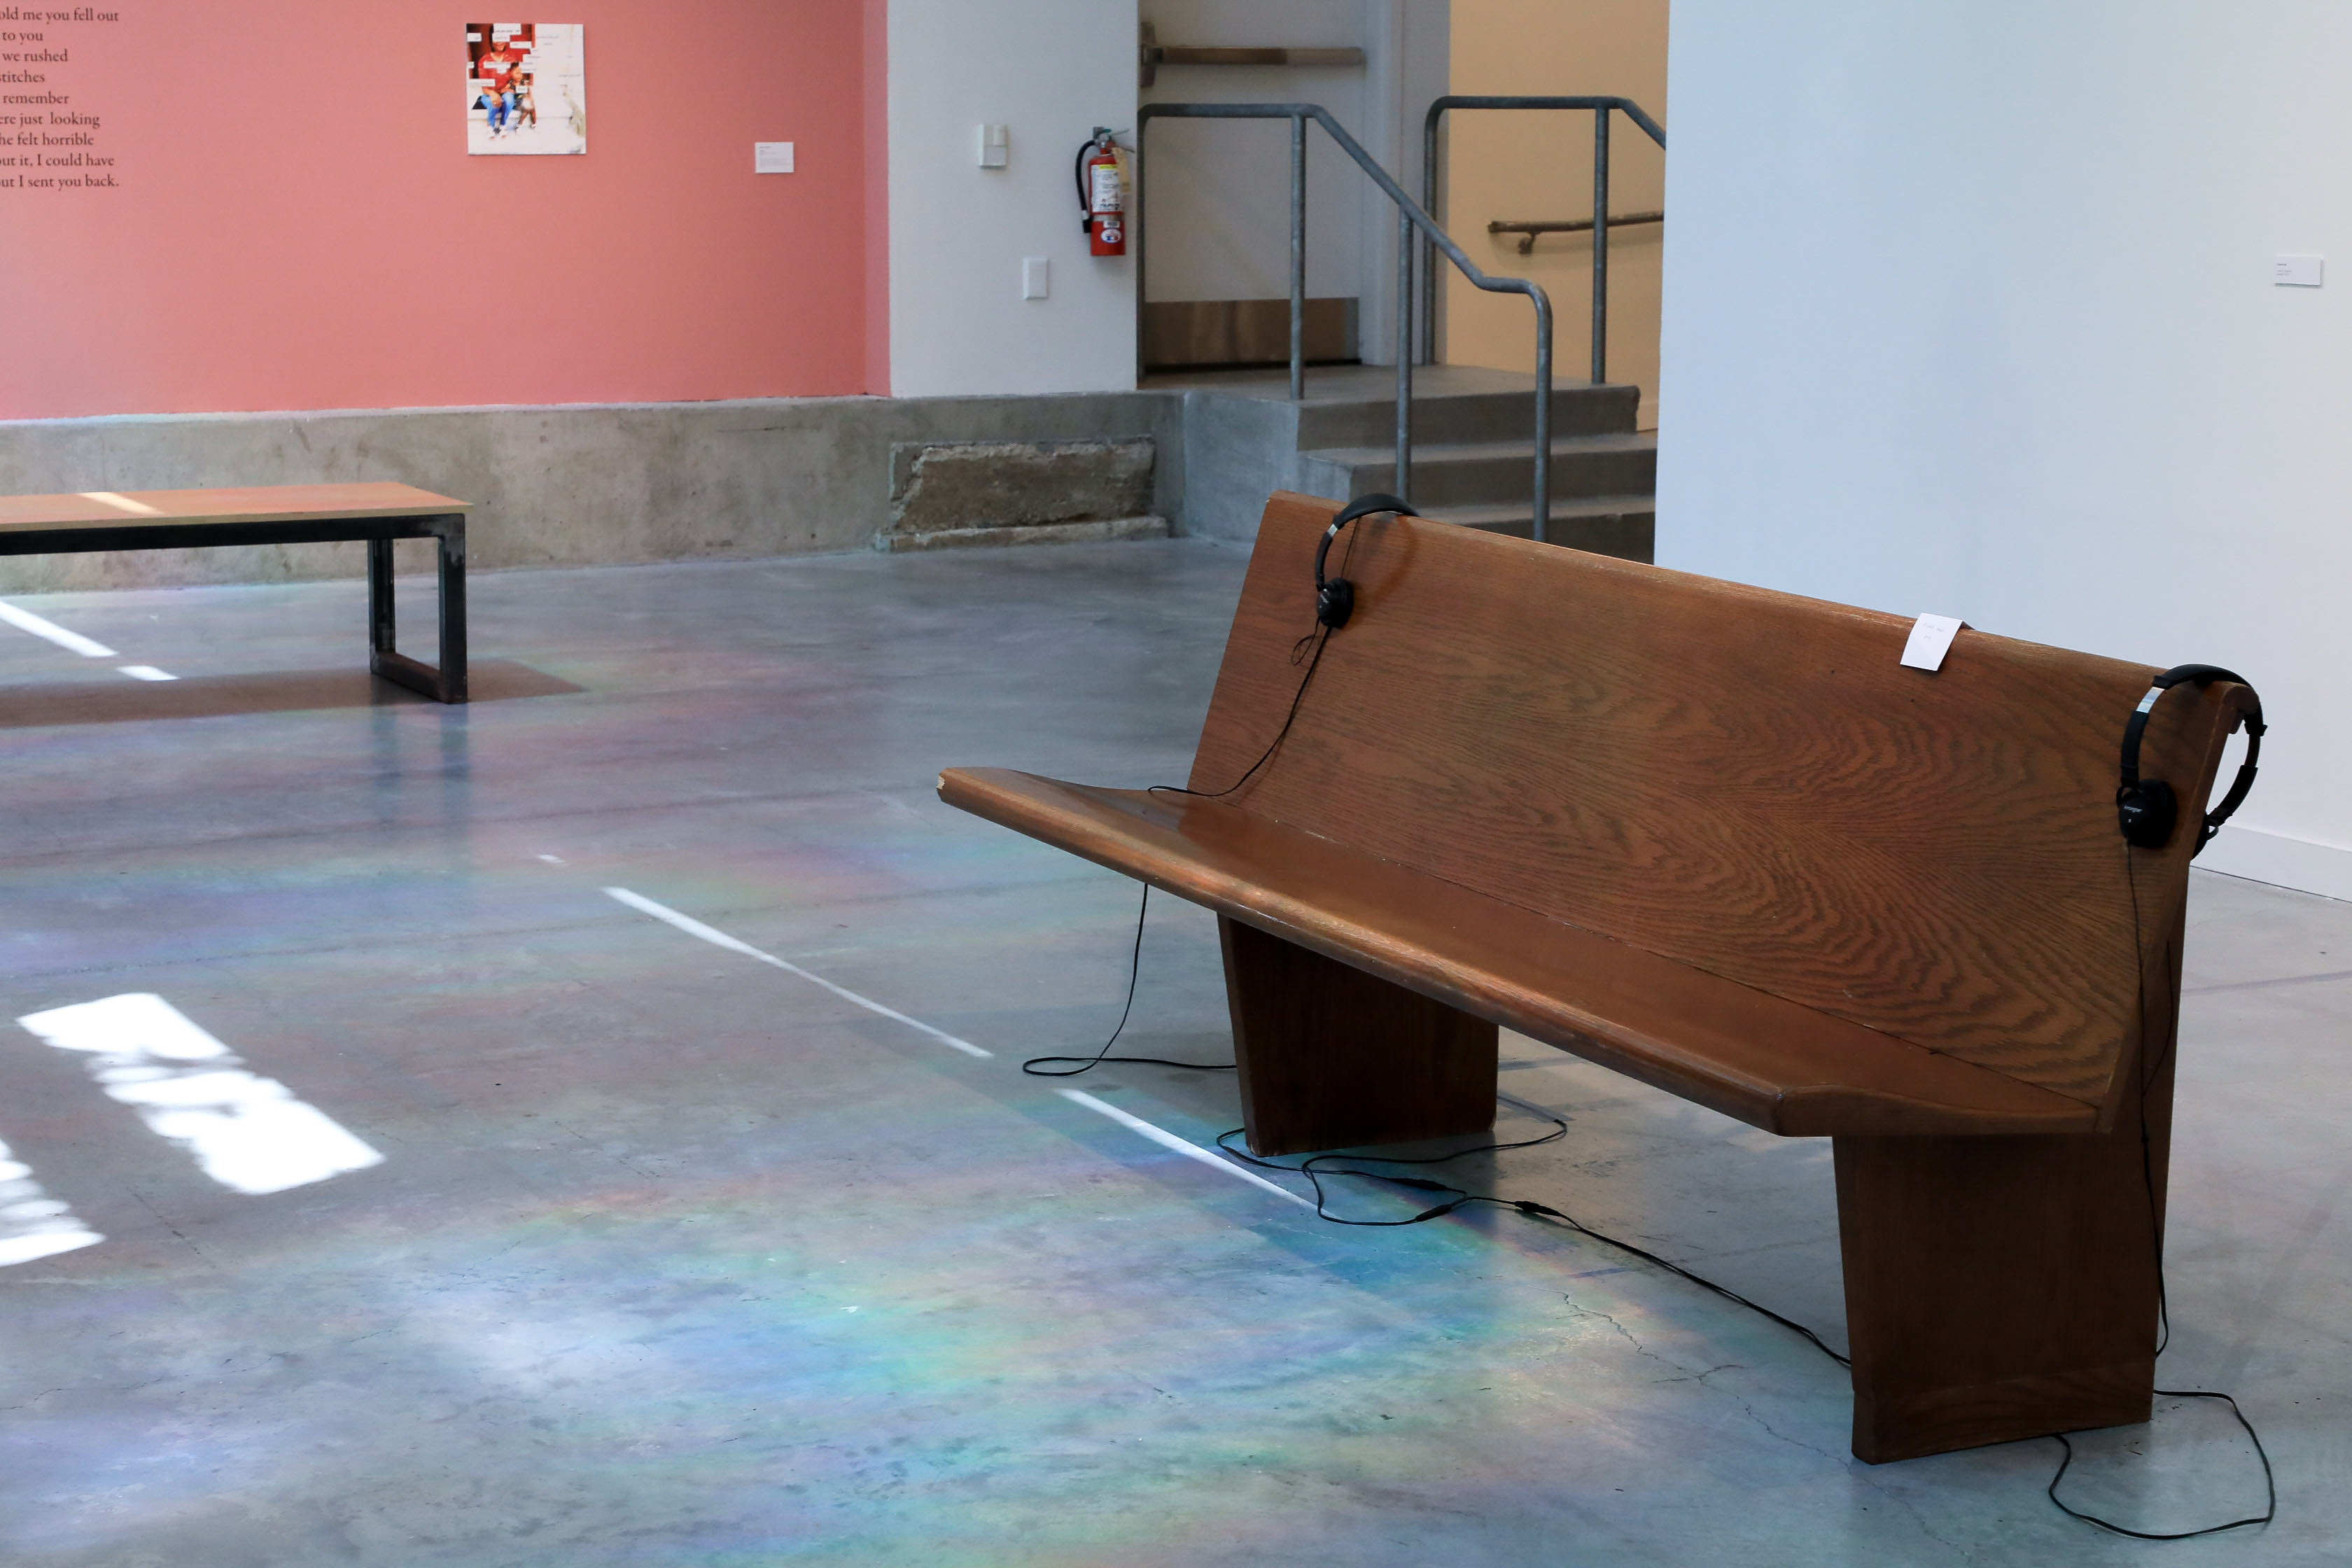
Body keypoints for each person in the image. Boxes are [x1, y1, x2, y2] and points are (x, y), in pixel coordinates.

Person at [476, 33, 524, 138]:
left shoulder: (511, 58)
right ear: (491, 41)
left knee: (509, 100)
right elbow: (484, 87)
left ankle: (503, 124)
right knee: (493, 103)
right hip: (489, 93)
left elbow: (517, 77)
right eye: (497, 39)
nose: (500, 42)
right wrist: (493, 93)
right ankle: (491, 126)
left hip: (506, 90)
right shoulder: (484, 60)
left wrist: (512, 87)